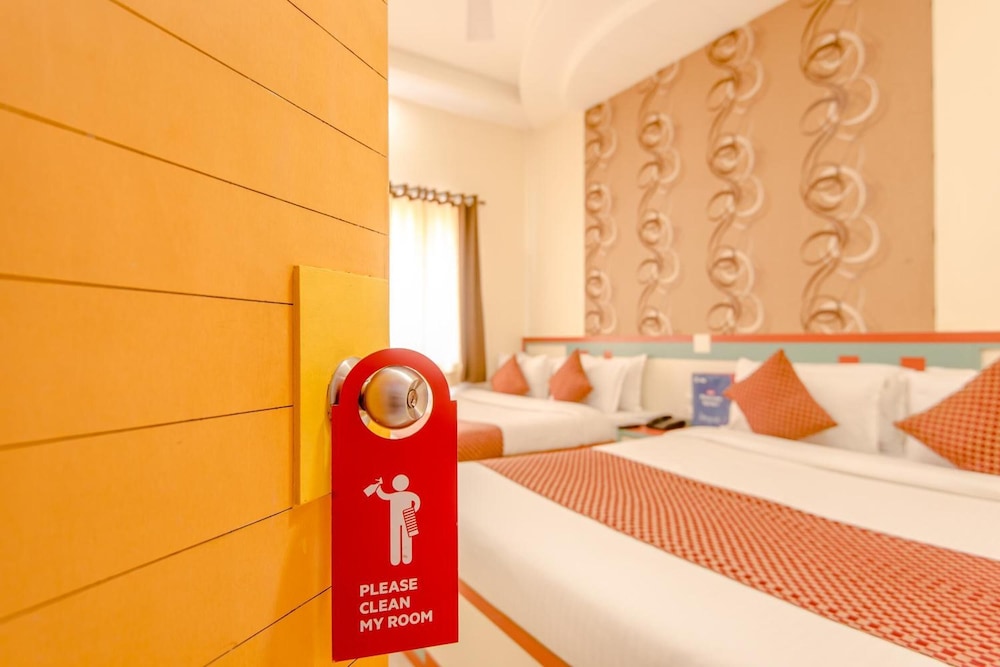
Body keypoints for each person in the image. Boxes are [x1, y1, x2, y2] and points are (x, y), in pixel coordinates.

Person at [371, 473, 421, 565]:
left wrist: (411, 511)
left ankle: (405, 558)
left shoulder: (405, 495)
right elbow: (383, 495)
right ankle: (396, 559)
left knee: (405, 538)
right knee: (396, 537)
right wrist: (379, 485)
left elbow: (417, 501)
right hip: (397, 519)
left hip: (406, 519)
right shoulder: (397, 495)